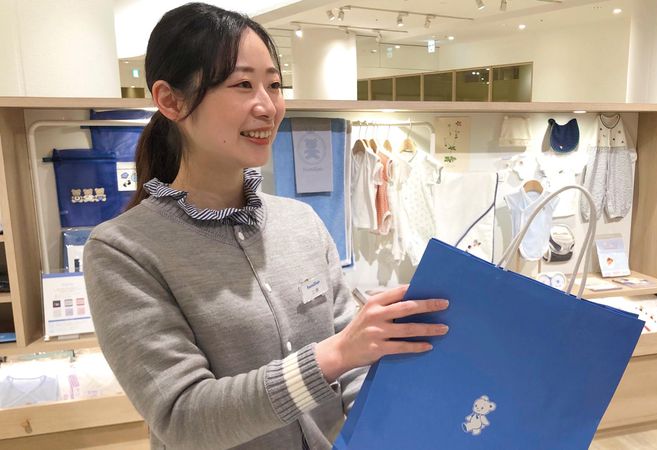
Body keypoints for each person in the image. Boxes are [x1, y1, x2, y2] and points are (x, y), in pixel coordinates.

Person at [83, 3, 449, 449]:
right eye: (242, 85)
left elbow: (352, 368)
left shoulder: (301, 222)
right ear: (170, 100)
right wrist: (334, 355)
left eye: (274, 85)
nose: (268, 107)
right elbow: (183, 417)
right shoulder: (122, 251)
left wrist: (384, 426)